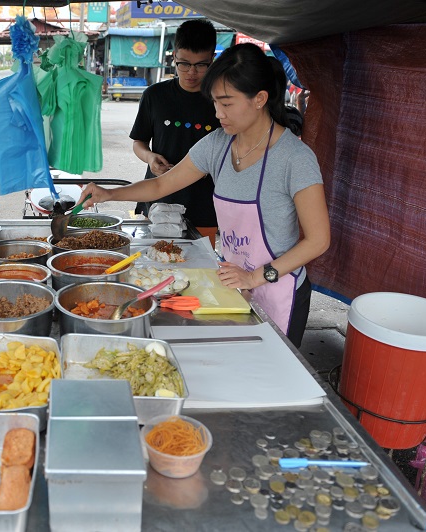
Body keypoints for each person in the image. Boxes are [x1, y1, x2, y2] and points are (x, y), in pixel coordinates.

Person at [80, 43, 330, 347]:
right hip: (230, 281)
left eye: (226, 103)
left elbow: (318, 240)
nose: (218, 113)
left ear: (260, 99)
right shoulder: (218, 145)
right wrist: (108, 194)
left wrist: (256, 277)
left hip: (278, 287)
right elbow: (161, 186)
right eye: (214, 103)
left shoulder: (295, 158)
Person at [130, 19, 220, 238]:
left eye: (201, 65)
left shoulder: (221, 99)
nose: (191, 72)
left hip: (204, 203)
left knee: (199, 268)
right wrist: (150, 157)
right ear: (174, 58)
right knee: (155, 266)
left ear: (212, 60)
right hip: (159, 198)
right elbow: (138, 143)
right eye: (184, 63)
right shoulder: (154, 95)